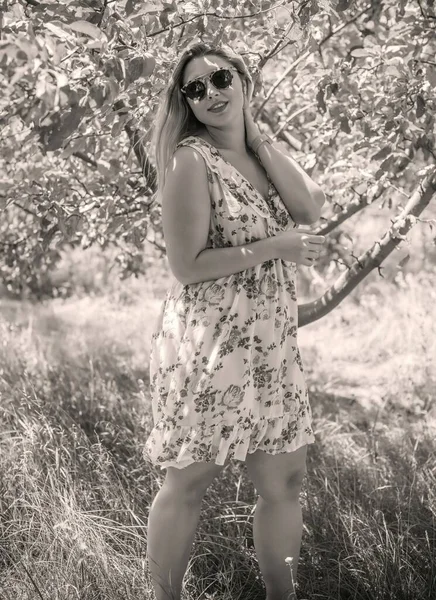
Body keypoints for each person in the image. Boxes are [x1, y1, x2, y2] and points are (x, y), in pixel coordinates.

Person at [144, 41, 326, 600]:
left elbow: (311, 207)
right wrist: (276, 246)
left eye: (220, 79)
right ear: (187, 104)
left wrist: (256, 136)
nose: (211, 93)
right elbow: (186, 266)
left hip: (270, 344)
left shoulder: (259, 151)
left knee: (284, 482)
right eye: (194, 89)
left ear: (242, 80)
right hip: (209, 344)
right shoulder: (189, 161)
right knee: (189, 481)